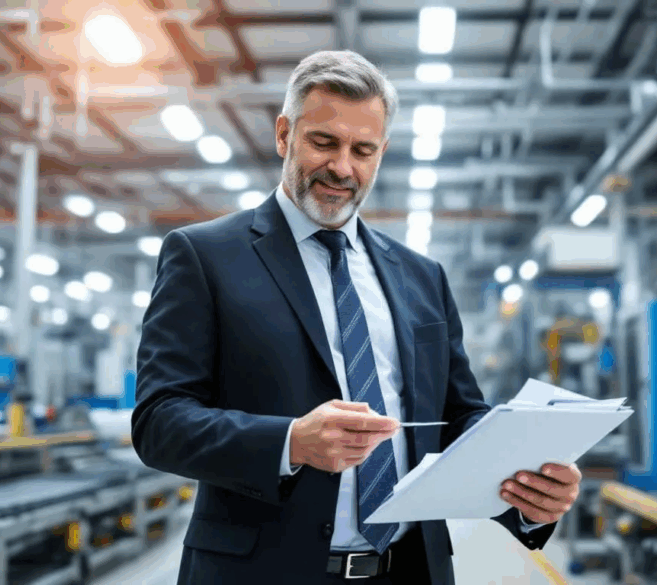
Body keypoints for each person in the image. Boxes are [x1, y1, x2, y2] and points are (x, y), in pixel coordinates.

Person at [133, 50, 582, 584]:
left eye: (362, 150)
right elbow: (159, 420)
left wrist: (531, 494)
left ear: (381, 152)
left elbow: (458, 418)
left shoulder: (422, 277)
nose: (343, 168)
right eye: (324, 142)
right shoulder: (205, 256)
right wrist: (291, 441)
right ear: (284, 135)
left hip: (407, 570)